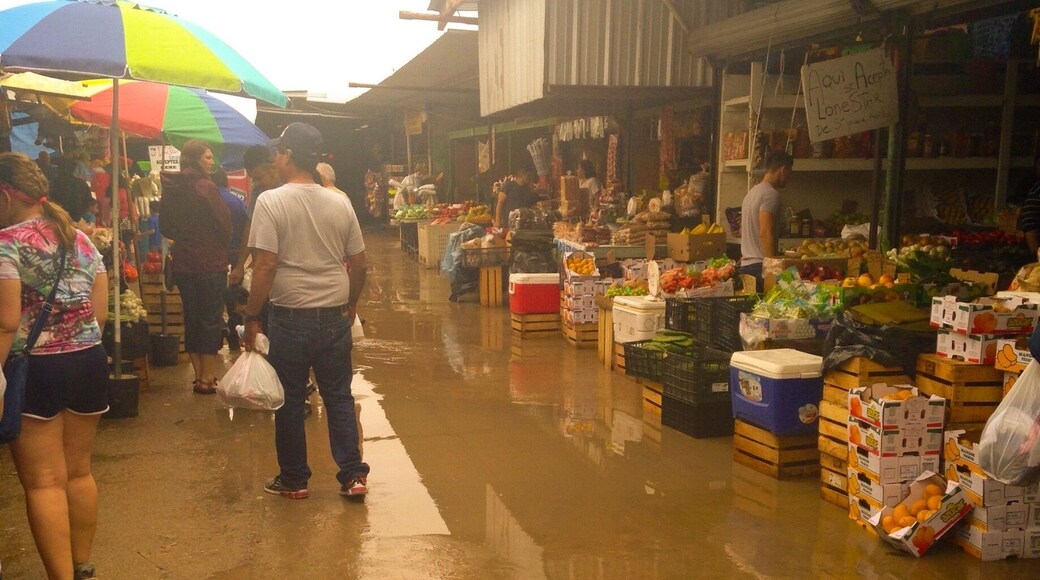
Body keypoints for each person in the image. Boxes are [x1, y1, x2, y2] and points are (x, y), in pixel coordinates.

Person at [242, 122, 369, 500]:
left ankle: (295, 480)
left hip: (290, 316)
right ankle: (352, 476)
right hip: (333, 314)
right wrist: (350, 305)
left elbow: (264, 265)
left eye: (279, 152)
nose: (276, 159)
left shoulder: (271, 201)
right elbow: (359, 264)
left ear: (288, 156)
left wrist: (251, 318)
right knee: (339, 396)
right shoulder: (339, 201)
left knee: (291, 400)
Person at [0, 152, 109, 580]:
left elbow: (7, 319)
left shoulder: (6, 243)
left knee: (45, 482)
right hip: (89, 362)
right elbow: (99, 312)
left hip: (37, 370)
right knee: (79, 471)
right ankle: (81, 566)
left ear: (7, 195)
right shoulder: (81, 240)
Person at [160, 140, 231, 394]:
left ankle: (199, 375)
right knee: (211, 317)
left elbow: (166, 227)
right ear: (196, 159)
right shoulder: (206, 187)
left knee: (191, 316)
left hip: (183, 261)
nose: (211, 161)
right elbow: (225, 225)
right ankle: (207, 377)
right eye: (208, 157)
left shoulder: (170, 186)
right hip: (210, 261)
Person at [740, 151, 794, 291]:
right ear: (783, 170)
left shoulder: (752, 193)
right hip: (760, 266)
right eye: (789, 173)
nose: (789, 178)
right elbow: (765, 231)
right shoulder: (771, 195)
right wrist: (772, 269)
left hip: (746, 265)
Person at [229, 145, 280, 287]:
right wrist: (240, 266)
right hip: (264, 267)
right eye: (254, 179)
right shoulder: (259, 190)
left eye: (259, 177)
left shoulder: (289, 188)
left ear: (273, 167)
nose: (258, 183)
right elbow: (250, 226)